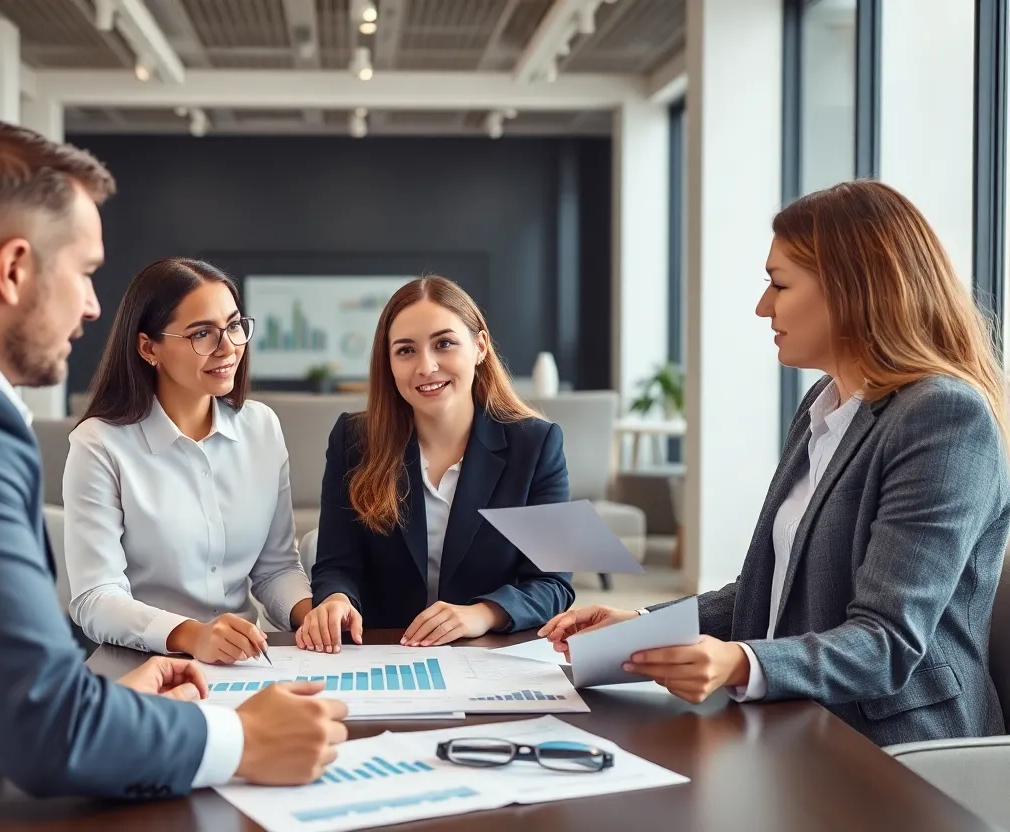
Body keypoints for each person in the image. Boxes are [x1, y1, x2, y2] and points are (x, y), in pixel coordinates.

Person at [0, 120, 346, 831]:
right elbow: (47, 727)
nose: (92, 305)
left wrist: (111, 703)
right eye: (84, 272)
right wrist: (245, 739)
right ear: (16, 268)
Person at [541, 180, 1010, 747]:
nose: (763, 306)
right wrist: (642, 626)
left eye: (779, 284)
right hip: (803, 718)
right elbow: (770, 592)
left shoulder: (942, 417)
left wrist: (739, 662)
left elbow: (886, 642)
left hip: (899, 748)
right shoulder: (824, 402)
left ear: (851, 289)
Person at [300, 276, 574, 652]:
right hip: (382, 653)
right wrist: (336, 600)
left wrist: (482, 613)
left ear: (479, 347)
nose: (426, 367)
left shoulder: (536, 444)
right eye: (405, 350)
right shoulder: (354, 440)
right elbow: (337, 566)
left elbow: (553, 582)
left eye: (443, 344)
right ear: (389, 363)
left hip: (490, 655)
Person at [64, 258, 312, 663]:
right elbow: (96, 597)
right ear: (148, 347)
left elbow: (276, 568)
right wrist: (190, 635)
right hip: (139, 662)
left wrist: (310, 615)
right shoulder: (99, 445)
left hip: (242, 663)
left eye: (233, 326)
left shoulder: (261, 427)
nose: (228, 347)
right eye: (202, 334)